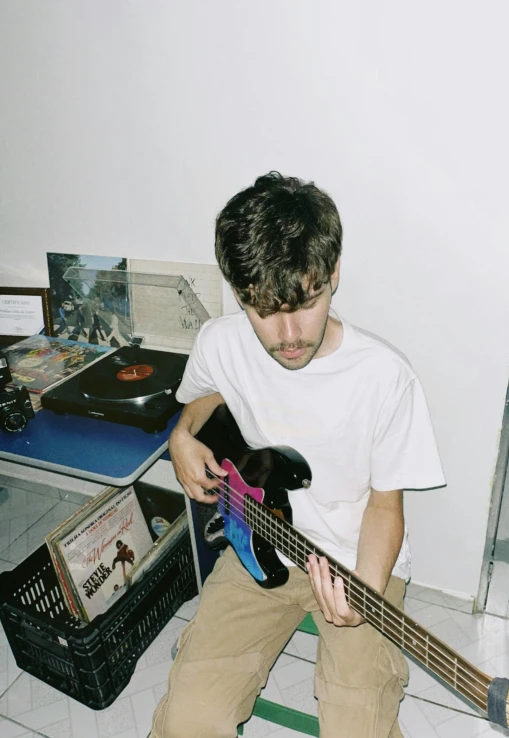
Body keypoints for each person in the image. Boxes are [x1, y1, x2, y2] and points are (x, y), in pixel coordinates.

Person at [152, 172, 445, 738]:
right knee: (188, 720)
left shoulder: (386, 379)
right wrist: (180, 438)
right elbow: (202, 398)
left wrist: (365, 594)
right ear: (240, 295)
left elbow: (386, 507)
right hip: (258, 544)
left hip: (355, 562)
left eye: (306, 303)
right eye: (264, 309)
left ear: (334, 275)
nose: (288, 334)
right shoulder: (221, 341)